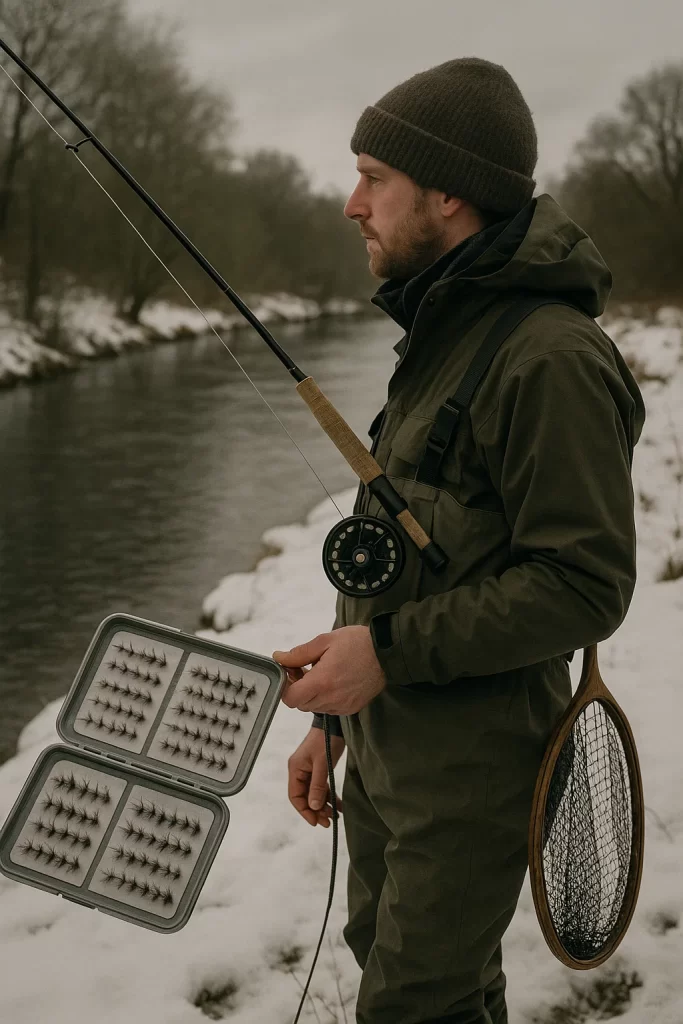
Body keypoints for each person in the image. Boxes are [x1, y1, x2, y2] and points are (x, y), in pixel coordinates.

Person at [273, 57, 646, 1024]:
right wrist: (334, 718)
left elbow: (583, 584)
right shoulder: (443, 333)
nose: (352, 204)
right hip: (389, 746)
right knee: (396, 967)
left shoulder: (549, 358)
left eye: (373, 177)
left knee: (413, 1004)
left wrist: (384, 655)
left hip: (474, 765)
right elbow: (394, 547)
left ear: (448, 194)